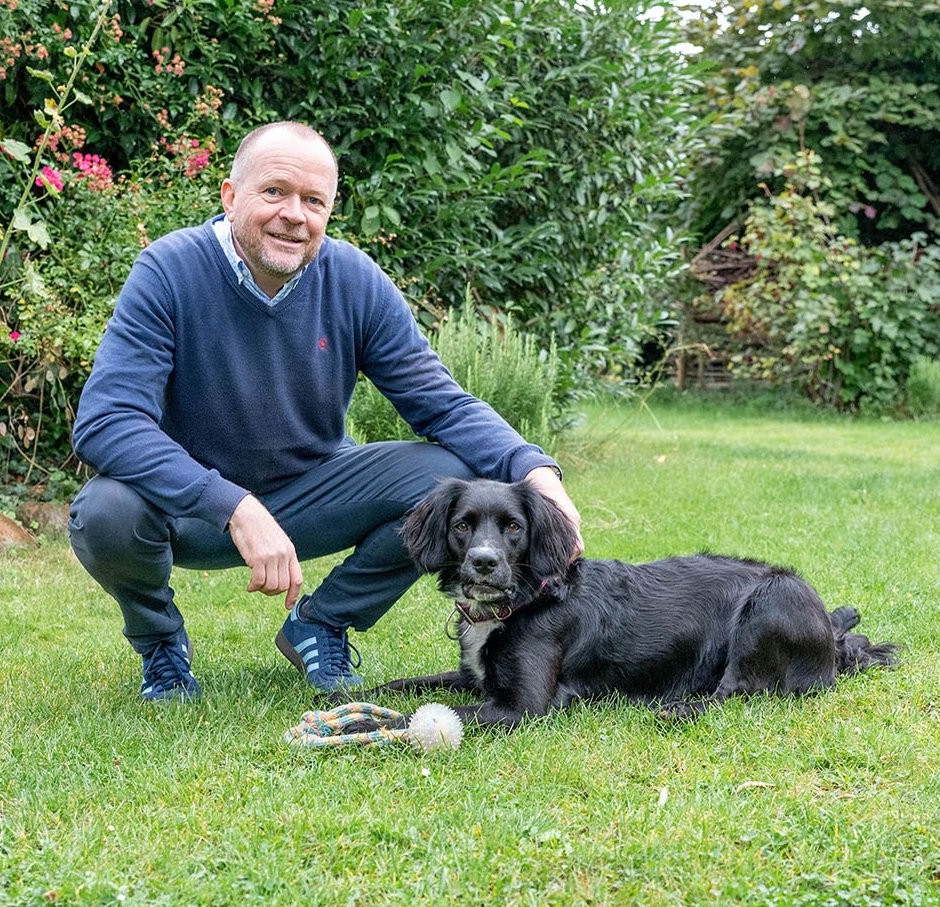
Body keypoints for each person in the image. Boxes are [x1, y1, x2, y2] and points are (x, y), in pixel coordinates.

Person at [68, 121, 582, 702]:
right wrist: (233, 505)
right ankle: (161, 644)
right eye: (274, 192)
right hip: (189, 513)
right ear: (230, 196)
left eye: (314, 201)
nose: (295, 214)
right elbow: (107, 422)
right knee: (104, 510)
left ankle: (322, 621)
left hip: (310, 497)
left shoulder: (353, 280)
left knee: (448, 481)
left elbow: (442, 403)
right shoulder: (168, 271)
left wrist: (535, 470)